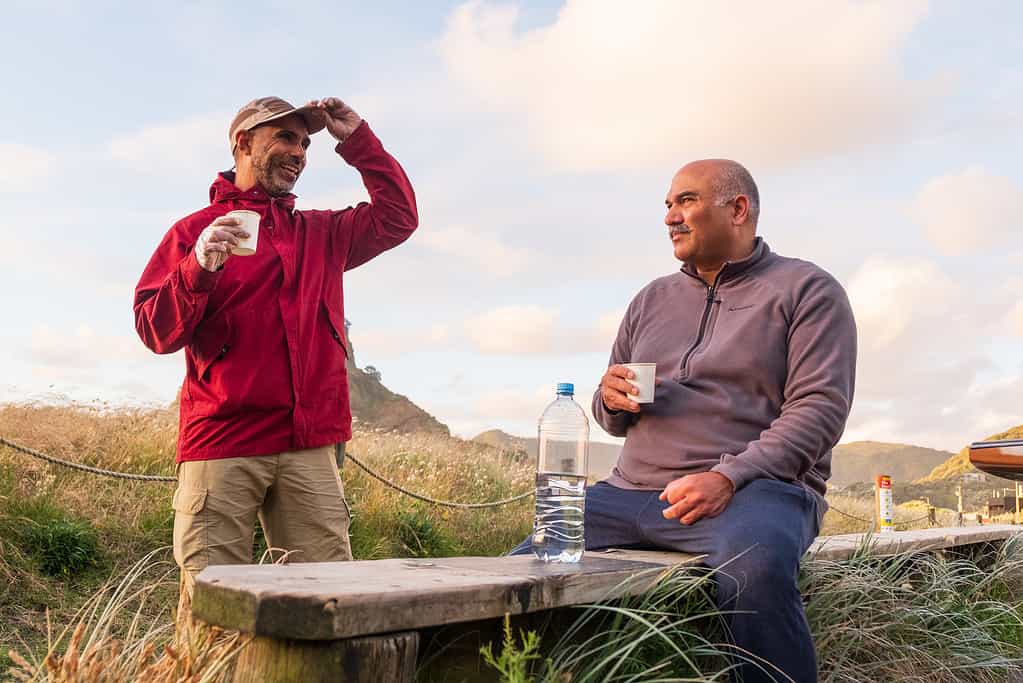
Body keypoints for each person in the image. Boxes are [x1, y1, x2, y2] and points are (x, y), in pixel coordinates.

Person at [514, 159, 856, 682]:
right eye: (668, 205)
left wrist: (727, 477)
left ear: (738, 208)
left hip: (755, 494)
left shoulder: (808, 290)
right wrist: (609, 399)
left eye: (687, 201)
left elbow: (819, 409)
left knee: (757, 568)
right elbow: (613, 417)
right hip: (630, 493)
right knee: (519, 567)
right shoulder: (650, 299)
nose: (671, 216)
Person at [133, 96, 418, 629]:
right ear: (242, 143)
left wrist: (356, 140)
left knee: (329, 608)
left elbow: (399, 217)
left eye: (306, 142)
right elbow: (154, 330)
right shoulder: (191, 232)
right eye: (285, 138)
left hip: (310, 446)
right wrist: (197, 268)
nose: (300, 152)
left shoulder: (323, 234)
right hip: (222, 441)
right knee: (212, 615)